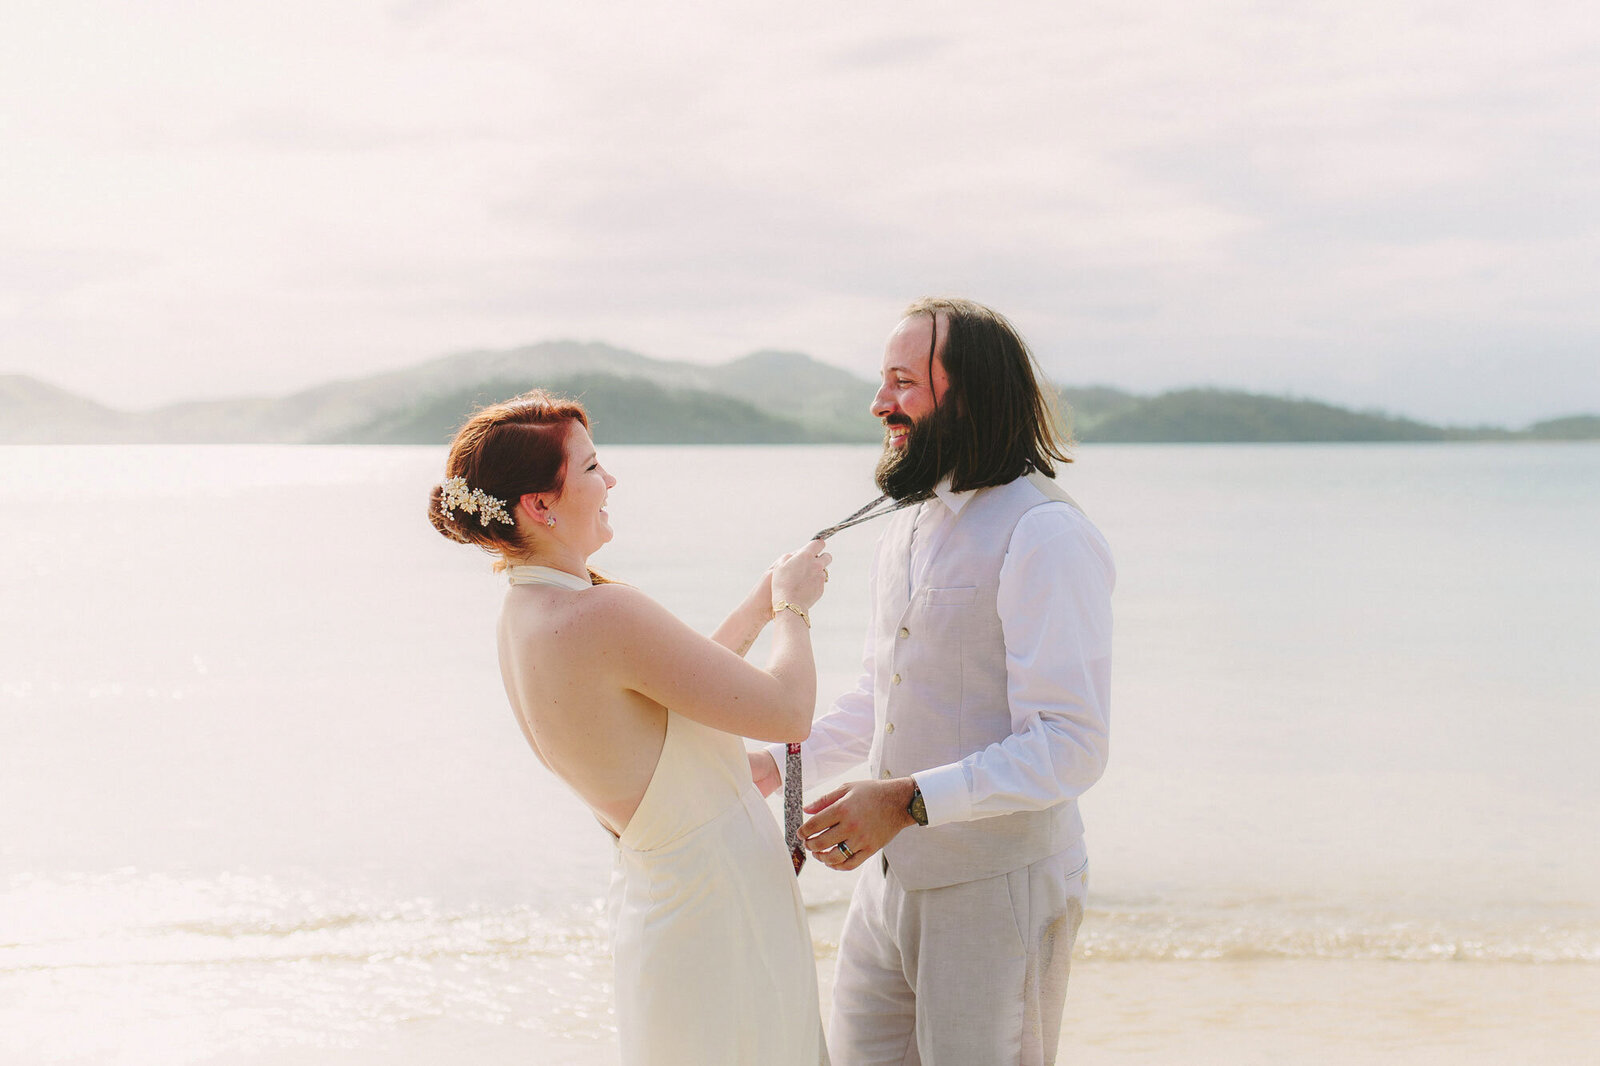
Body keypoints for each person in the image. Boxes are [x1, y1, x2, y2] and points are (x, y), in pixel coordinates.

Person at [751, 298, 1115, 1066]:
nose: (879, 403)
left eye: (902, 382)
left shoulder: (1045, 533)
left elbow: (1071, 746)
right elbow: (879, 699)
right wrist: (774, 775)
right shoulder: (908, 526)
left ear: (970, 396)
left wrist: (906, 800)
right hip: (886, 887)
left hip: (998, 893)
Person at [429, 390, 832, 1066]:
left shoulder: (527, 614)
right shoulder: (602, 613)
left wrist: (760, 605)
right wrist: (795, 608)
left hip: (670, 908)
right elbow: (787, 710)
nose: (610, 481)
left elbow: (673, 694)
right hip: (720, 919)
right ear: (541, 504)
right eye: (591, 469)